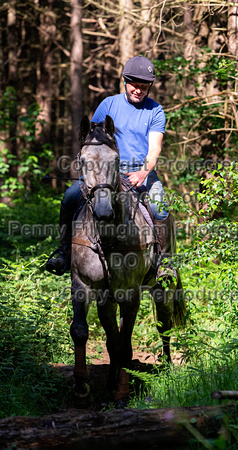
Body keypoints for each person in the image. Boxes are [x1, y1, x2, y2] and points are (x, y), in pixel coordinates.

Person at [46, 55, 175, 282]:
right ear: (125, 81)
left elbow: (154, 149)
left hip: (140, 173)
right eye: (135, 84)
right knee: (69, 197)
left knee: (160, 208)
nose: (139, 90)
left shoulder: (155, 111)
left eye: (144, 86)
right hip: (104, 174)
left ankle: (165, 263)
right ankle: (64, 251)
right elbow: (93, 140)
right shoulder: (108, 105)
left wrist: (143, 172)